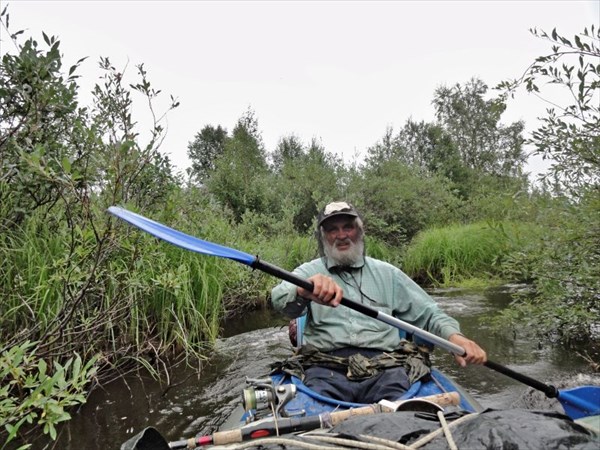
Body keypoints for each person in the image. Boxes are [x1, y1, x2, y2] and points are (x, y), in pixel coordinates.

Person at [271, 201, 487, 404]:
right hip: (324, 369)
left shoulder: (388, 274)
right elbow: (279, 299)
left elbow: (429, 314)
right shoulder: (308, 272)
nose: (341, 235)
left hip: (385, 369)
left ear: (360, 231)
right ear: (323, 237)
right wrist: (303, 289)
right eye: (332, 230)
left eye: (348, 227)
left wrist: (455, 337)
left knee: (406, 418)